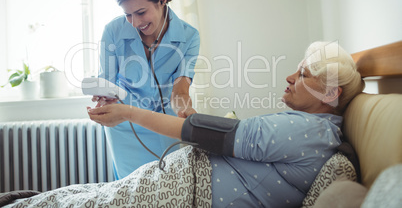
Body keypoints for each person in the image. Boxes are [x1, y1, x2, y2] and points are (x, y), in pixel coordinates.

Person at [4, 41, 365, 208]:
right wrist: (189, 114)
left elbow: (211, 135)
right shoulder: (310, 129)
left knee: (81, 203)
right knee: (75, 196)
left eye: (302, 74)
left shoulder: (309, 132)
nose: (289, 77)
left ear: (329, 93)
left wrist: (128, 113)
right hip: (178, 177)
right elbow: (220, 135)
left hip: (184, 190)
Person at [94, 0, 200, 179]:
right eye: (127, 15)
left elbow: (180, 91)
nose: (135, 22)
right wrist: (103, 100)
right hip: (125, 126)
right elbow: (106, 82)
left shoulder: (189, 36)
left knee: (168, 188)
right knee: (129, 191)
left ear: (162, 1)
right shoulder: (112, 32)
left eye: (141, 12)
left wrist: (190, 116)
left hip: (165, 124)